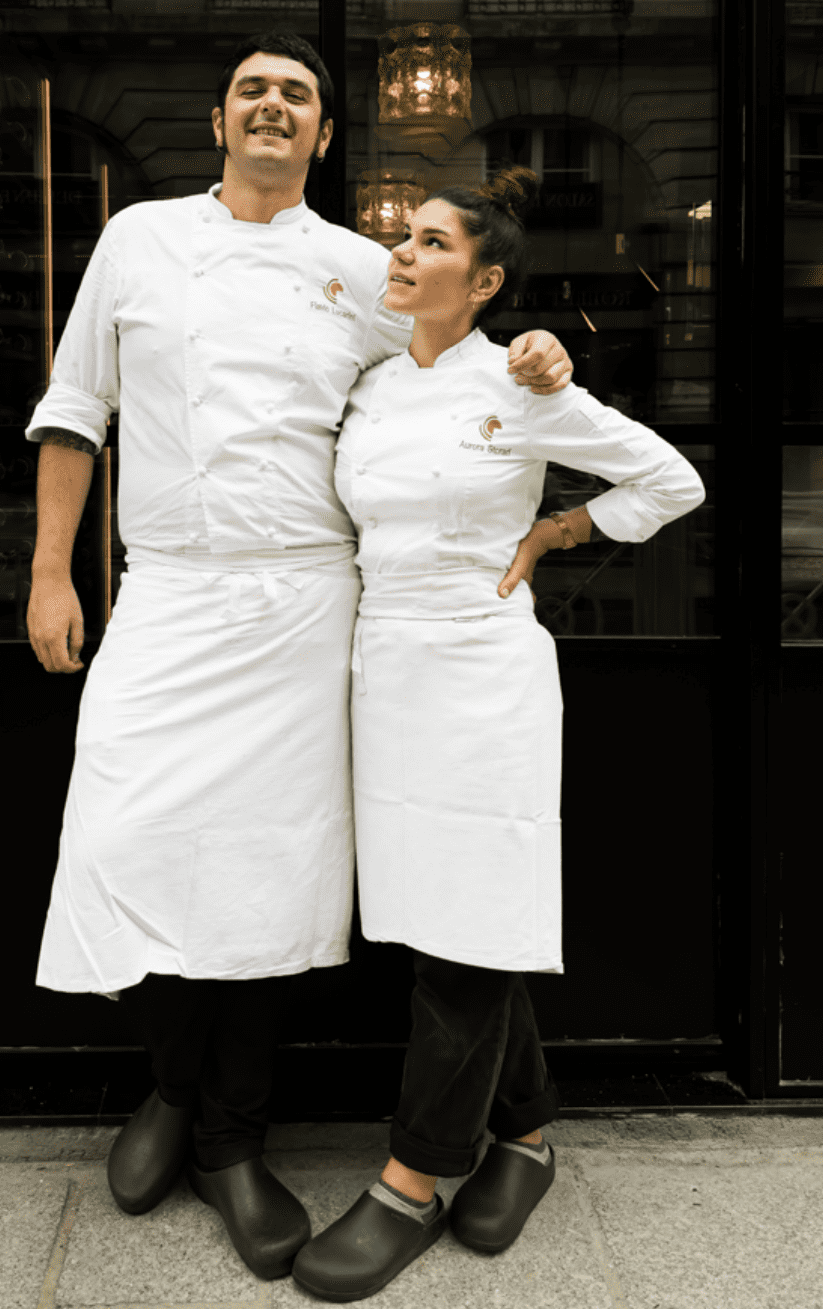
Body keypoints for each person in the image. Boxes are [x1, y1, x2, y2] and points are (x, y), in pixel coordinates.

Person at [23, 35, 575, 1282]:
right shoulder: (139, 239)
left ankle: (230, 1137)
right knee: (129, 841)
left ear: (324, 135)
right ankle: (172, 1082)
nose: (273, 106)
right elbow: (74, 405)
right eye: (252, 90)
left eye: (298, 95)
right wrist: (55, 569)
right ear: (218, 120)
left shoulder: (357, 268)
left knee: (271, 877)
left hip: (306, 607)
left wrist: (546, 374)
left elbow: (452, 378)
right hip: (164, 593)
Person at [291, 167, 707, 1302]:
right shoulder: (370, 386)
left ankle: (413, 1176)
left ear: (480, 282)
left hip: (482, 679)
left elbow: (670, 480)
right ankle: (523, 1135)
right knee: (441, 921)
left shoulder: (520, 380)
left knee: (469, 919)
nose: (401, 253)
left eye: (428, 242)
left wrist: (566, 523)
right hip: (387, 675)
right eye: (399, 237)